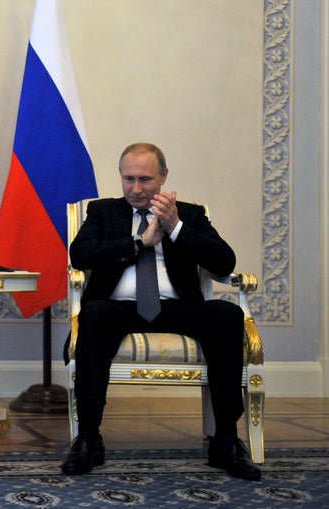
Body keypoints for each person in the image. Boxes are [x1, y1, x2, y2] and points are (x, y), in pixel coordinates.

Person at [62, 142, 261, 481]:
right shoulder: (103, 212)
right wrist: (141, 243)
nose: (136, 189)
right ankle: (89, 437)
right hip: (117, 307)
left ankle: (226, 439)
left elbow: (224, 262)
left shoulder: (189, 214)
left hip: (176, 307)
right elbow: (80, 255)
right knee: (93, 315)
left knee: (226, 316)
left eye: (145, 180)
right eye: (128, 179)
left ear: (164, 177)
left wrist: (176, 228)